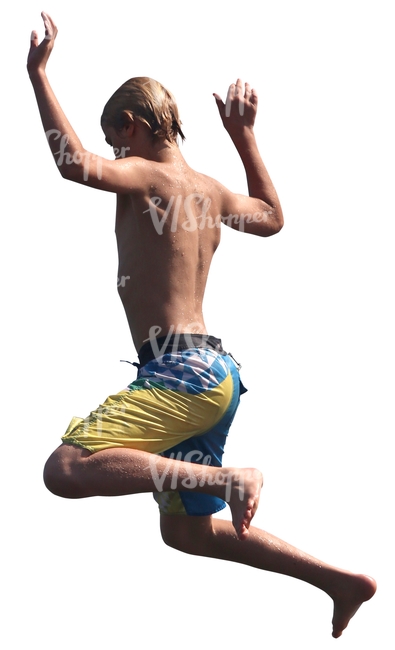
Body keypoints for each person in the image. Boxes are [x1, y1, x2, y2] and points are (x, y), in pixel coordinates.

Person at [28, 12, 376, 639]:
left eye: (116, 140)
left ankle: (224, 477)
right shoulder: (208, 190)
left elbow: (72, 163)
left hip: (178, 372)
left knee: (67, 469)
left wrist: (38, 74)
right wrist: (245, 137)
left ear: (131, 126)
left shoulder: (145, 175)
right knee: (185, 531)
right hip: (216, 374)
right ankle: (340, 581)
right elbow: (270, 216)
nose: (113, 155)